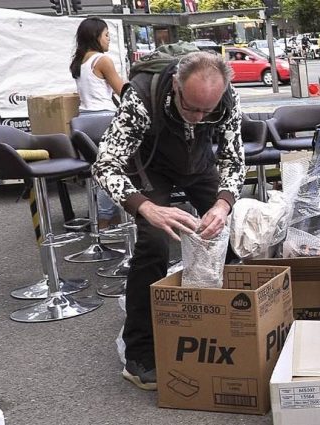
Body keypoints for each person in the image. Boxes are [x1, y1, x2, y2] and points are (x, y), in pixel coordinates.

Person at [92, 51, 245, 391]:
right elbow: (104, 166)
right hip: (150, 166)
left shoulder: (227, 100)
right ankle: (139, 352)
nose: (197, 116)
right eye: (191, 107)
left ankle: (237, 325)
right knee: (154, 243)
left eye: (208, 110)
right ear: (176, 85)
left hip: (198, 162)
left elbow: (233, 160)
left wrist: (223, 204)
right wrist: (145, 207)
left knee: (229, 235)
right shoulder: (141, 98)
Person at [71, 17, 126, 229]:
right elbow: (122, 90)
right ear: (96, 36)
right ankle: (105, 220)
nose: (109, 40)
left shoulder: (79, 61)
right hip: (104, 119)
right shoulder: (102, 60)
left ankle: (106, 218)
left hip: (84, 120)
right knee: (113, 169)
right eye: (106, 35)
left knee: (98, 171)